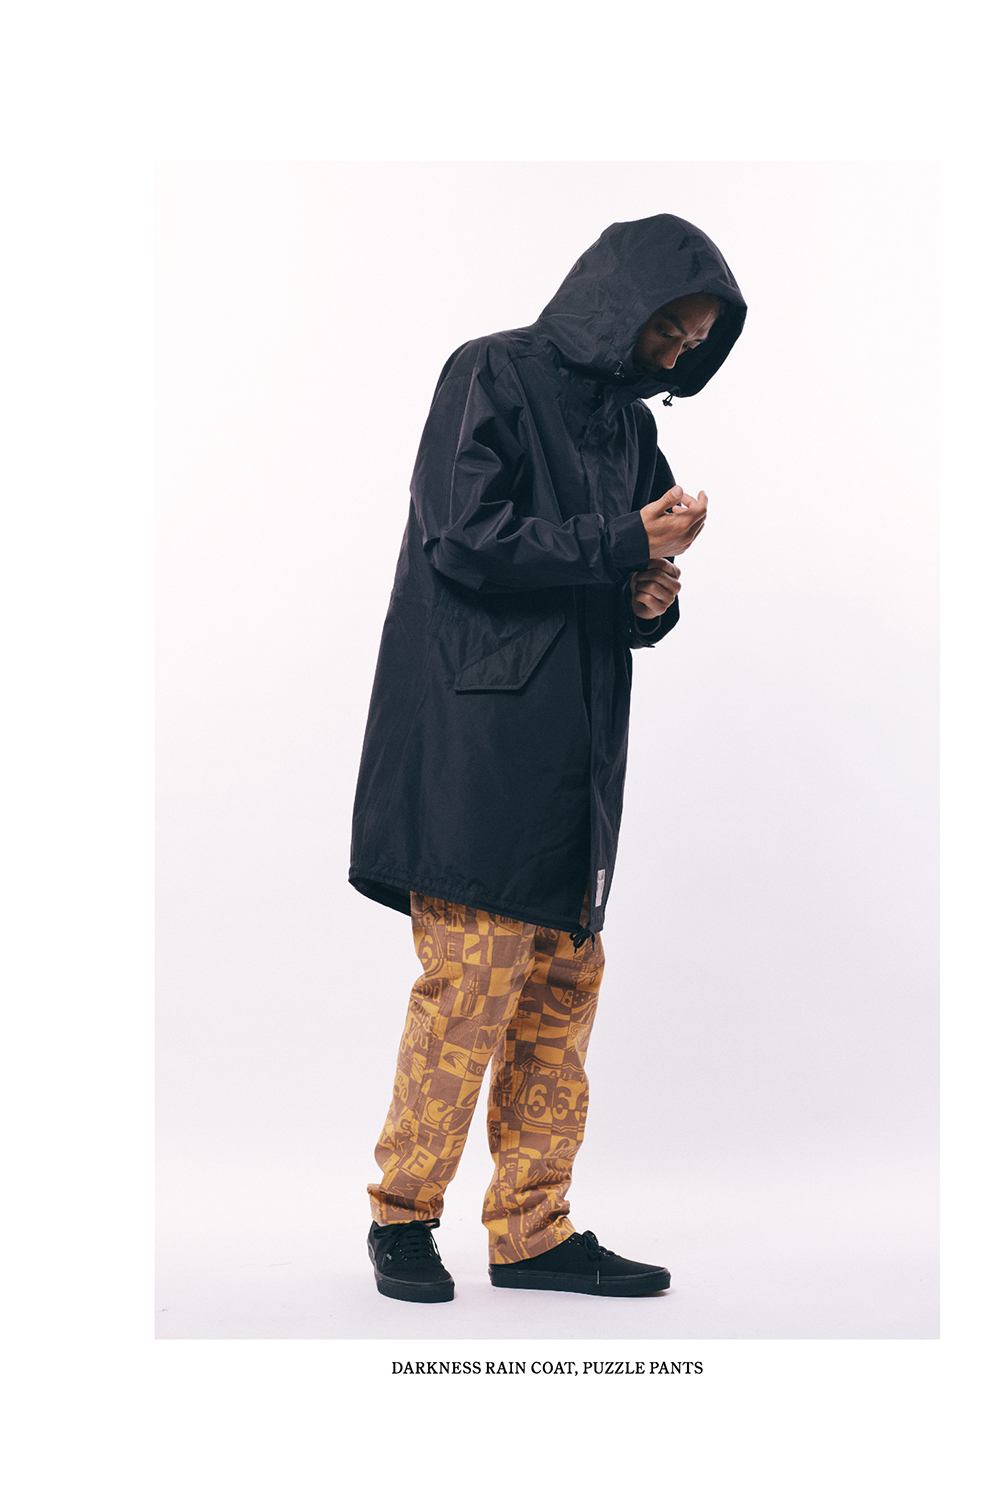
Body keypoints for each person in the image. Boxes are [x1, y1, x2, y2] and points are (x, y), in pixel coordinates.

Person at [349, 213, 747, 1302]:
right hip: (476, 742)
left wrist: (647, 597)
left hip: (580, 750)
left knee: (560, 993)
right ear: (618, 300)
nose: (676, 351)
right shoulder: (488, 372)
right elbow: (462, 536)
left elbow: (608, 578)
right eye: (668, 326)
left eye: (693, 340)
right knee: (467, 987)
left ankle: (531, 1230)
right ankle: (401, 1218)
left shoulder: (629, 427)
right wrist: (625, 543)